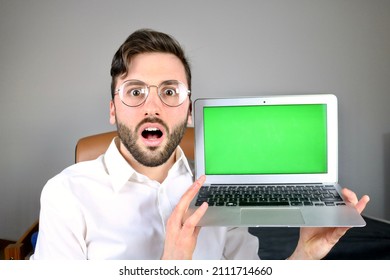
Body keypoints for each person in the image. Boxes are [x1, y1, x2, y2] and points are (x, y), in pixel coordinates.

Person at [31, 29, 370, 260]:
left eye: (169, 92)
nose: (152, 106)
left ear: (189, 111)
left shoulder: (219, 194)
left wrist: (304, 255)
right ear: (112, 109)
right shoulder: (66, 195)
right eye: (135, 92)